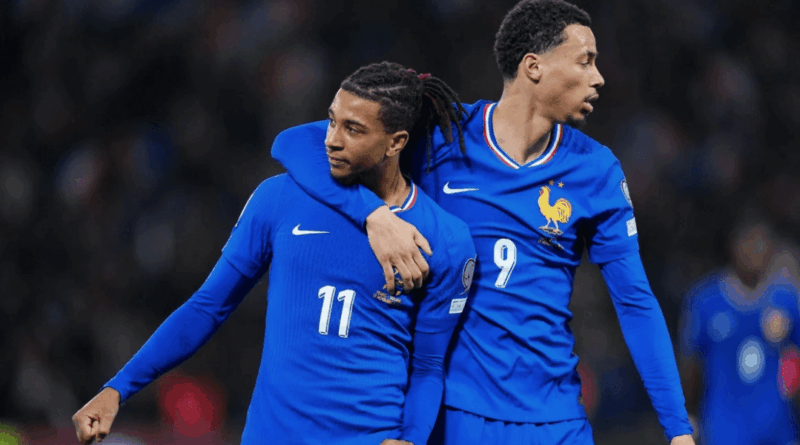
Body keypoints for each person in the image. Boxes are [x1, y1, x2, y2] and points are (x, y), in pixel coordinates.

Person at [269, 0, 695, 443]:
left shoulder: (597, 171)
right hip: (456, 414)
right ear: (535, 66)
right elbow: (297, 143)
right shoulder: (442, 136)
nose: (598, 77)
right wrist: (374, 215)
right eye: (585, 60)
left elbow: (635, 302)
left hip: (557, 419)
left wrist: (678, 429)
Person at [71, 61, 477, 445]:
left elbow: (428, 367)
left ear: (396, 142)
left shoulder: (446, 239)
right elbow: (208, 306)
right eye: (332, 120)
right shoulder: (279, 198)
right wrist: (118, 388)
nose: (332, 140)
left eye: (353, 129)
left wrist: (411, 438)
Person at [680, 220, 800, 444]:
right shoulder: (706, 300)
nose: (755, 252)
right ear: (733, 248)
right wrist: (686, 415)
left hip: (776, 427)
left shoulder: (785, 299)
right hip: (725, 427)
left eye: (761, 245)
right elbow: (691, 364)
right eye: (749, 244)